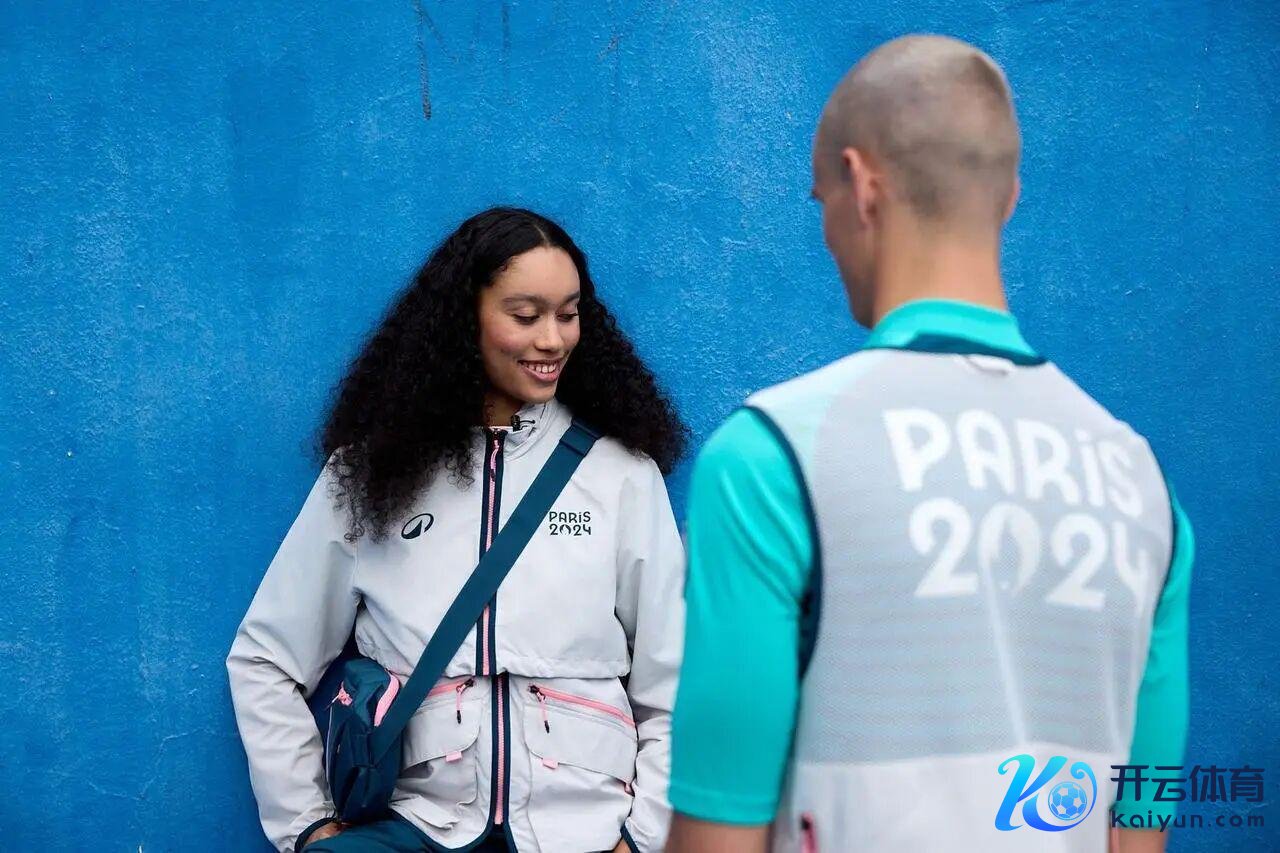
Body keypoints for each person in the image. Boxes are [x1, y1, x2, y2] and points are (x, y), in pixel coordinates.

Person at [666, 35, 1192, 853]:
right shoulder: (1141, 483)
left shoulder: (771, 458)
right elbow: (1140, 828)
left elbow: (718, 834)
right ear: (1009, 197)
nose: (827, 232)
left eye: (820, 200)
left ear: (862, 185)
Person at [227, 207, 686, 853]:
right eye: (525, 315)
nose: (553, 339)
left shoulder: (622, 476)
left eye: (568, 313)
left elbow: (679, 683)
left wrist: (641, 841)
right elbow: (266, 658)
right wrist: (306, 825)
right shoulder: (371, 474)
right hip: (415, 825)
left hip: (583, 830)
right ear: (463, 321)